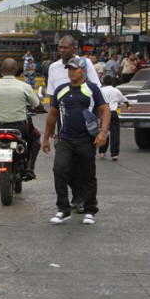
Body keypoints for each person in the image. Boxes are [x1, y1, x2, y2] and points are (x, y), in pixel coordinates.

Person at [42, 57, 111, 225]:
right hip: (65, 139)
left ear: (83, 70)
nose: (71, 72)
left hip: (86, 140)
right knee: (59, 170)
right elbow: (52, 115)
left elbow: (105, 110)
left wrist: (102, 132)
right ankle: (63, 210)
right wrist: (45, 138)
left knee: (88, 175)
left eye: (74, 69)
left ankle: (89, 210)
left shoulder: (92, 89)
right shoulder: (61, 90)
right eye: (69, 69)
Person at [45, 35, 101, 212]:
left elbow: (95, 89)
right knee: (63, 166)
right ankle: (77, 194)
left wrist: (100, 128)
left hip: (85, 120)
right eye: (60, 47)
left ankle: (84, 198)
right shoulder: (53, 68)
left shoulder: (85, 64)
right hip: (63, 122)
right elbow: (52, 97)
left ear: (74, 48)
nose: (62, 50)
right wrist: (51, 128)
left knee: (83, 165)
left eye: (66, 47)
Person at [0, 58, 44, 180]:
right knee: (35, 137)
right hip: (21, 127)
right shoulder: (25, 86)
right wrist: (40, 109)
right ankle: (30, 168)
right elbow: (37, 105)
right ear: (16, 70)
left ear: (1, 70)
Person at [98, 75, 130, 160]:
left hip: (103, 113)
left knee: (104, 132)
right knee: (115, 133)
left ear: (103, 82)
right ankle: (114, 154)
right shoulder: (116, 91)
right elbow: (125, 100)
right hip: (113, 112)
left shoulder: (100, 90)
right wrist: (129, 107)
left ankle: (102, 151)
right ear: (112, 82)